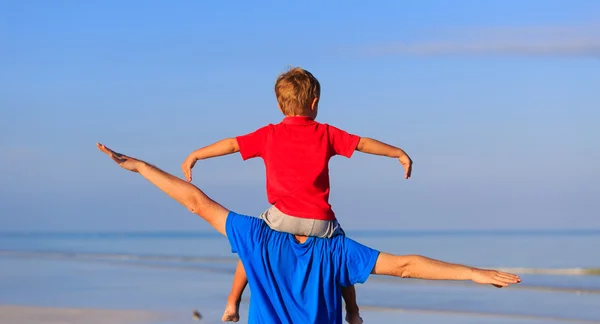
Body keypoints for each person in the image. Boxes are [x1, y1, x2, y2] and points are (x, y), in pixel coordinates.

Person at [97, 143, 521, 324]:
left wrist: (140, 167)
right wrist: (471, 272)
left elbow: (195, 201)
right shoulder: (336, 248)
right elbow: (406, 267)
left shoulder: (256, 236)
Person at [181, 68, 413, 323]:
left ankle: (232, 303)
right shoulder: (326, 133)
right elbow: (363, 143)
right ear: (314, 103)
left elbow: (232, 144)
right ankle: (353, 312)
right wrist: (397, 153)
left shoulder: (268, 134)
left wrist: (196, 155)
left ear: (280, 105)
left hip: (281, 218)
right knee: (341, 256)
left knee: (252, 243)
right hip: (320, 223)